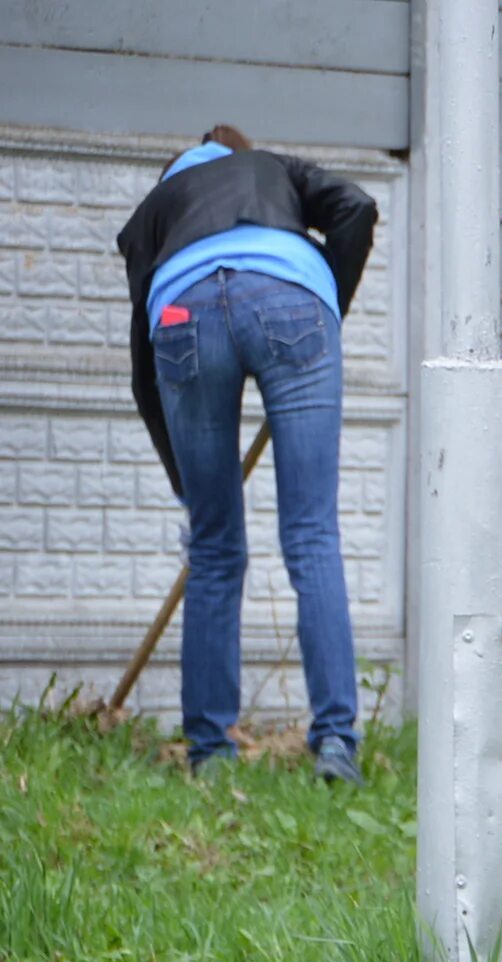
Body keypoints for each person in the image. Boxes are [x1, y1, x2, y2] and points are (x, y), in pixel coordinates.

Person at [114, 125, 377, 781]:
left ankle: (209, 753)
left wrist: (189, 483)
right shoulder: (270, 165)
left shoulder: (159, 206)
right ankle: (337, 744)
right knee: (312, 533)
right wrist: (324, 307)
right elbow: (356, 207)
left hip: (183, 317)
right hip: (292, 301)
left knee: (214, 546)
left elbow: (145, 368)